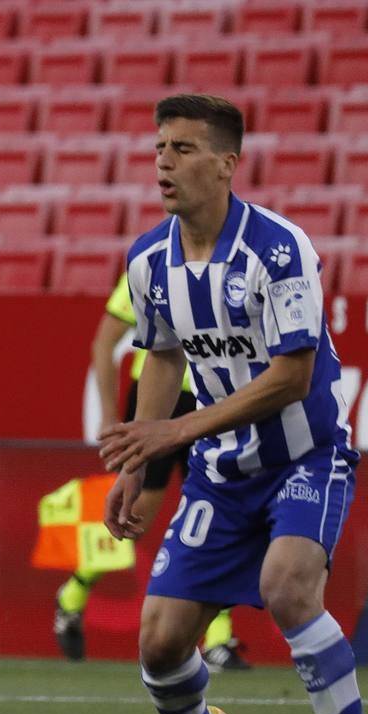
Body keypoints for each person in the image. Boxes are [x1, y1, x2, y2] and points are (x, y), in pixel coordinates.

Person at [100, 94, 368, 714]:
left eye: (185, 148)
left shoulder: (279, 249)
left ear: (228, 164)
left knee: (289, 589)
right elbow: (162, 356)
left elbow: (292, 375)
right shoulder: (148, 260)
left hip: (306, 456)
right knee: (160, 645)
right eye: (160, 147)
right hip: (220, 475)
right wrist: (139, 457)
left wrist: (176, 432)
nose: (165, 161)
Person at [53, 273, 251, 673]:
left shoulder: (233, 265)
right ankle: (72, 595)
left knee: (224, 508)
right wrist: (110, 415)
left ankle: (217, 639)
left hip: (215, 400)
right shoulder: (152, 264)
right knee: (135, 514)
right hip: (159, 399)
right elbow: (104, 341)